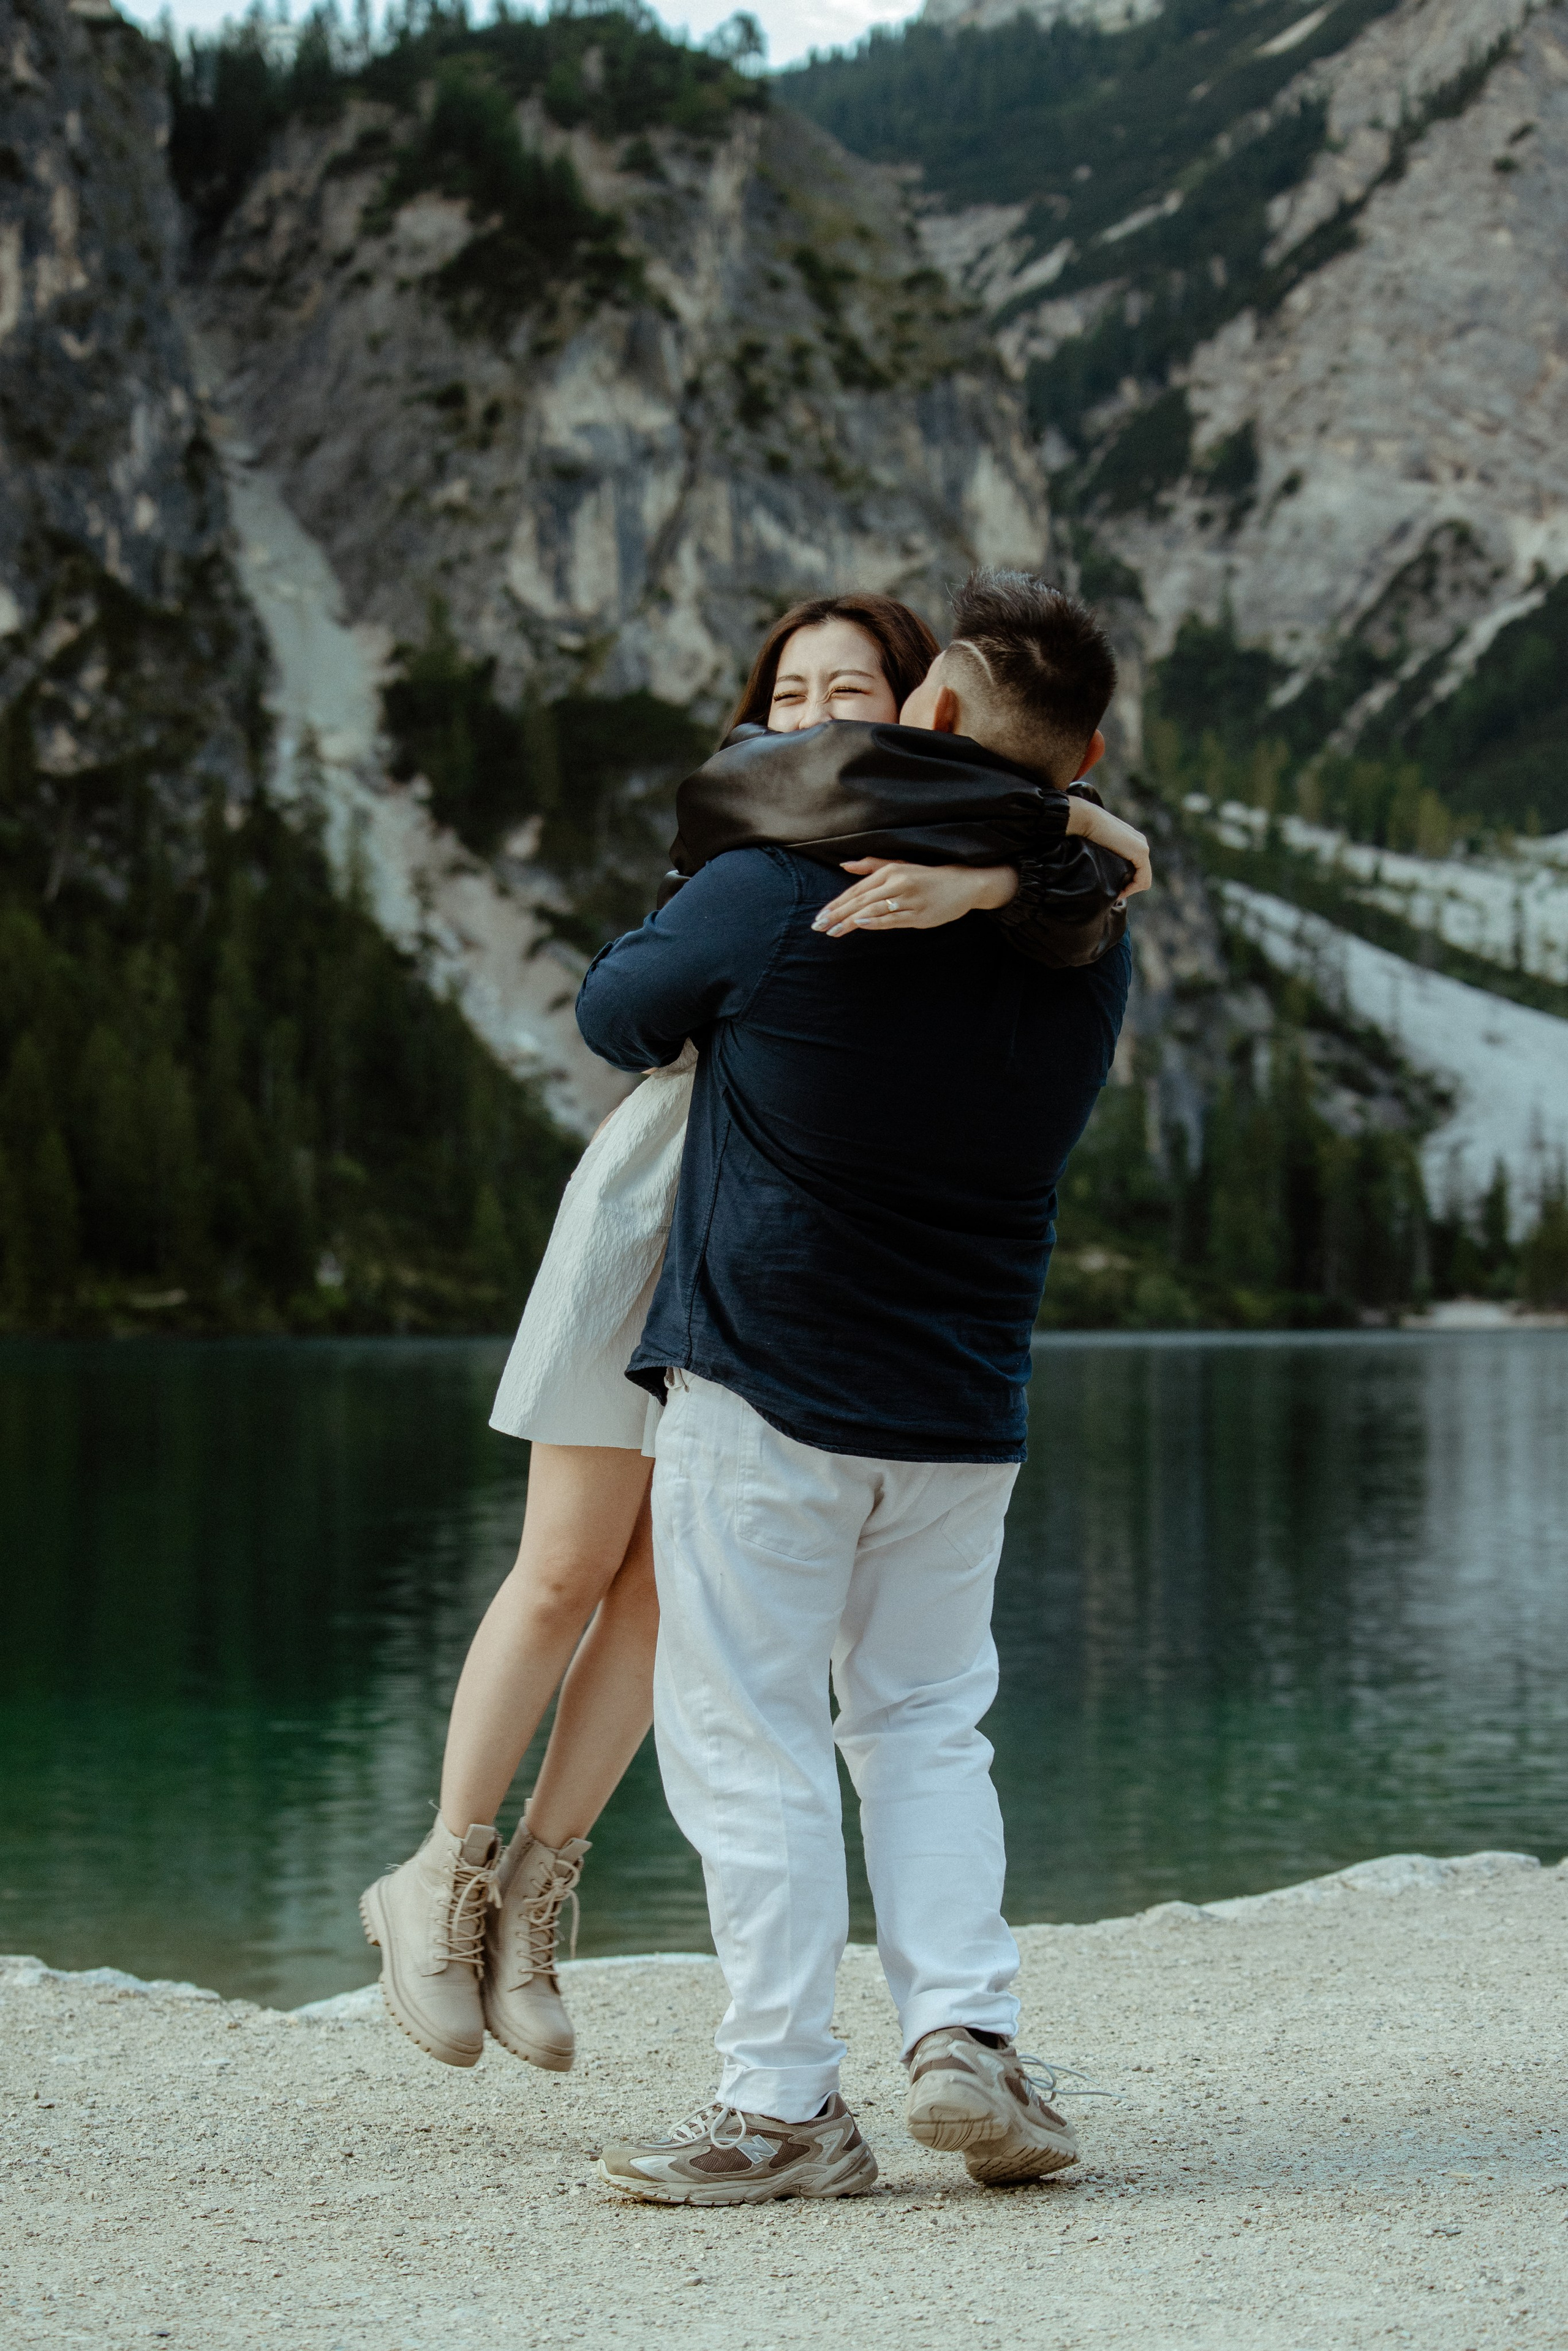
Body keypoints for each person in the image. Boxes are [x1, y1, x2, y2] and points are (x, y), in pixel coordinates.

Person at [359, 588, 1148, 2081]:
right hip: (660, 1223)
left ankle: (542, 1890)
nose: (814, 717)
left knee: (669, 1605)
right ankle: (443, 1873)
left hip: (771, 1279)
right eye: (789, 693)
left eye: (852, 687)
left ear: (922, 713)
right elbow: (626, 1007)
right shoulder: (792, 846)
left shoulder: (1017, 879)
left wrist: (999, 873)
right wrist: (1022, 862)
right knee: (567, 1564)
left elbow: (1084, 838)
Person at [575, 570, 1134, 2205]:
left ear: (928, 714)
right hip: (963, 1396)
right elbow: (1078, 847)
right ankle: (968, 2034)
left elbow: (622, 1008)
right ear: (1088, 751)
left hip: (772, 1376)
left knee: (747, 1735)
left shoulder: (778, 879)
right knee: (923, 1723)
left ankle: (783, 2105)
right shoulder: (1091, 921)